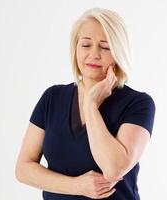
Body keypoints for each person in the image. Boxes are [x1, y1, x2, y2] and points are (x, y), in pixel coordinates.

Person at [15, 7, 155, 200]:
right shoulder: (52, 97)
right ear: (75, 48)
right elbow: (23, 168)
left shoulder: (138, 104)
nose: (94, 54)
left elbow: (113, 169)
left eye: (105, 47)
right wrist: (76, 186)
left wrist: (90, 105)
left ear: (119, 53)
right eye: (86, 45)